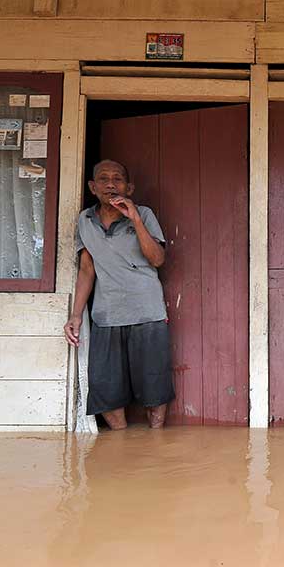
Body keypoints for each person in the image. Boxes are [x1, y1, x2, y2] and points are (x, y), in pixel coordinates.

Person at [63, 159, 174, 430]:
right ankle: (121, 450)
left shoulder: (144, 214)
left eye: (117, 179)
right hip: (106, 313)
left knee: (154, 387)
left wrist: (134, 217)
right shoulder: (85, 220)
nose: (111, 184)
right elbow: (87, 268)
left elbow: (157, 259)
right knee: (106, 392)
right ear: (92, 186)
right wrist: (76, 315)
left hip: (147, 312)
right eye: (103, 178)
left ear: (129, 187)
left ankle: (154, 449)